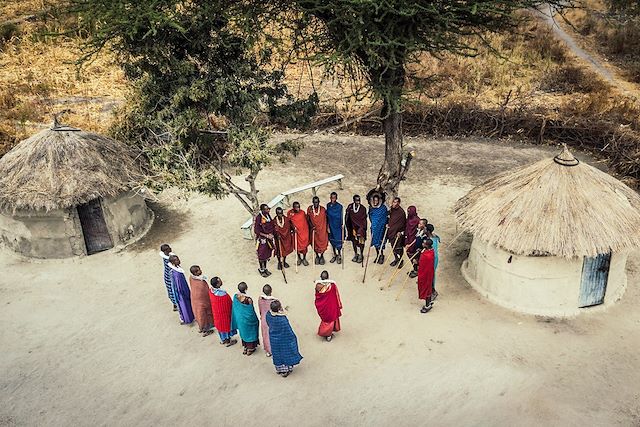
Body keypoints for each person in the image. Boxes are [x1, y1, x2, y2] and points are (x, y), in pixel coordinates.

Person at [266, 300, 303, 378]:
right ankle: (286, 370)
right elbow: (288, 330)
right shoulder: (282, 319)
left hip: (273, 338)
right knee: (286, 353)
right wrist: (293, 337)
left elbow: (268, 324)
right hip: (283, 339)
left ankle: (279, 369)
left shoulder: (268, 315)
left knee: (277, 354)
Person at [231, 282, 260, 356]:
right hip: (247, 320)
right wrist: (255, 320)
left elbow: (235, 308)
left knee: (243, 332)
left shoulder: (235, 296)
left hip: (240, 319)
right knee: (251, 332)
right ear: (246, 289)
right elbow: (251, 311)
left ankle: (246, 347)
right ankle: (250, 348)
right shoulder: (248, 299)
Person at [314, 270, 343, 342]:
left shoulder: (318, 286)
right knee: (331, 321)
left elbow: (317, 295)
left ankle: (326, 333)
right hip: (332, 307)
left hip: (324, 308)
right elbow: (336, 295)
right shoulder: (332, 286)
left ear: (321, 277)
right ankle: (329, 335)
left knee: (326, 322)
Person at [208, 277, 237, 347]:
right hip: (223, 314)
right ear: (217, 284)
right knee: (225, 326)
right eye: (219, 281)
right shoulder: (223, 295)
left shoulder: (211, 291)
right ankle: (227, 341)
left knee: (220, 327)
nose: (221, 281)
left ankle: (223, 339)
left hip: (216, 313)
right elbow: (230, 303)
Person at [168, 255, 195, 325]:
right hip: (182, 293)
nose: (178, 260)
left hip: (182, 291)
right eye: (176, 260)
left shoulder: (176, 269)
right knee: (185, 306)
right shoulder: (177, 274)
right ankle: (187, 319)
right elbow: (180, 286)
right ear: (173, 262)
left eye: (178, 259)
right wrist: (186, 293)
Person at [189, 265, 215, 336]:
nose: (201, 271)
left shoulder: (192, 278)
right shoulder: (200, 283)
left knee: (200, 314)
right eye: (198, 270)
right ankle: (204, 330)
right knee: (203, 315)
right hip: (201, 301)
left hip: (196, 301)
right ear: (195, 273)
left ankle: (205, 326)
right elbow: (204, 293)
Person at [345, 195, 367, 263]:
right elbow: (347, 217)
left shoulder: (363, 208)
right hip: (353, 228)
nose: (358, 202)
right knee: (354, 241)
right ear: (353, 200)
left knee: (361, 242)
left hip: (361, 228)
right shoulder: (350, 207)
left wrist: (361, 230)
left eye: (359, 200)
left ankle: (361, 254)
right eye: (356, 200)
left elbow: (364, 220)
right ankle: (356, 254)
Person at [307, 196, 329, 265]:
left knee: (323, 243)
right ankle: (317, 256)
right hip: (314, 231)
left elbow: (327, 219)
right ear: (312, 202)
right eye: (314, 202)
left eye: (317, 202)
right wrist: (311, 226)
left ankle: (322, 256)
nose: (316, 204)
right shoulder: (310, 209)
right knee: (314, 243)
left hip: (322, 230)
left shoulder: (323, 209)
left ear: (319, 202)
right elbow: (308, 219)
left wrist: (326, 228)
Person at [255, 204, 275, 278]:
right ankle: (261, 269)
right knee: (261, 255)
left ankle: (265, 268)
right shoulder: (259, 218)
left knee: (267, 254)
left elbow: (271, 225)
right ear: (262, 210)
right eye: (266, 209)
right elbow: (256, 230)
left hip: (269, 239)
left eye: (268, 209)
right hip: (262, 239)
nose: (268, 210)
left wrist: (272, 234)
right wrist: (266, 235)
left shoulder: (268, 216)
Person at [287, 201, 310, 266]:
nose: (298, 209)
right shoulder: (290, 213)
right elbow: (288, 222)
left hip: (303, 232)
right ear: (293, 208)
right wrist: (292, 227)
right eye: (296, 207)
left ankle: (304, 258)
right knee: (296, 246)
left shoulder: (302, 213)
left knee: (304, 247)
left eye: (298, 207)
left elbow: (306, 220)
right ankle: (299, 258)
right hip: (296, 233)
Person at [368, 192, 388, 264]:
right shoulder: (371, 208)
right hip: (374, 228)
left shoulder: (383, 208)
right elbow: (370, 217)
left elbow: (385, 219)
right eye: (374, 200)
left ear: (379, 200)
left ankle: (381, 255)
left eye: (377, 200)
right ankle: (377, 255)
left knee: (380, 242)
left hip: (381, 228)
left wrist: (380, 225)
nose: (375, 202)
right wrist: (374, 224)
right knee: (375, 242)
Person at [258, 284, 278, 357]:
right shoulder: (274, 301)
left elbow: (260, 310)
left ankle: (268, 351)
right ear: (271, 291)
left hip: (264, 320)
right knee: (274, 335)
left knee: (265, 335)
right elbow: (279, 311)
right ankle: (274, 350)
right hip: (272, 320)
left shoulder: (260, 299)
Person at [417, 238, 435, 313]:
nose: (422, 244)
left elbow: (423, 263)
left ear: (427, 245)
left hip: (426, 274)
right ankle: (429, 302)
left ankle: (427, 306)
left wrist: (417, 262)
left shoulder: (427, 256)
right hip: (428, 273)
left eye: (424, 243)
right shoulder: (429, 251)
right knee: (428, 287)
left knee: (426, 289)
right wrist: (421, 252)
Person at [387, 197, 406, 267]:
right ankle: (396, 258)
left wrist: (401, 232)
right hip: (391, 232)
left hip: (398, 233)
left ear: (399, 203)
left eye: (396, 202)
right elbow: (388, 217)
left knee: (399, 248)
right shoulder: (391, 209)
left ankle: (401, 260)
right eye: (394, 202)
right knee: (393, 247)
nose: (395, 203)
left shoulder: (401, 212)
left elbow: (404, 224)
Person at [326, 192, 344, 264]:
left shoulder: (340, 206)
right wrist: (327, 226)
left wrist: (342, 225)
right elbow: (327, 216)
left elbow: (341, 216)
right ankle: (334, 255)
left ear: (336, 198)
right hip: (331, 226)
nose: (333, 199)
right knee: (332, 241)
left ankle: (339, 255)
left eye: (334, 197)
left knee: (338, 241)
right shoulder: (328, 205)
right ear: (330, 198)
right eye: (331, 197)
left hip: (338, 227)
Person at [159, 244, 178, 312]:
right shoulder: (168, 260)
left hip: (168, 275)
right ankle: (176, 304)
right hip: (170, 277)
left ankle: (175, 304)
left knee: (171, 290)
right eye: (167, 249)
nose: (170, 249)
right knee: (173, 290)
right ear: (164, 251)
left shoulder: (167, 256)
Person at [426, 223, 441, 300]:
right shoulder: (433, 236)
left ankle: (433, 291)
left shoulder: (430, 241)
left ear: (428, 231)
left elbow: (433, 253)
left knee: (431, 275)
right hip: (434, 258)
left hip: (433, 259)